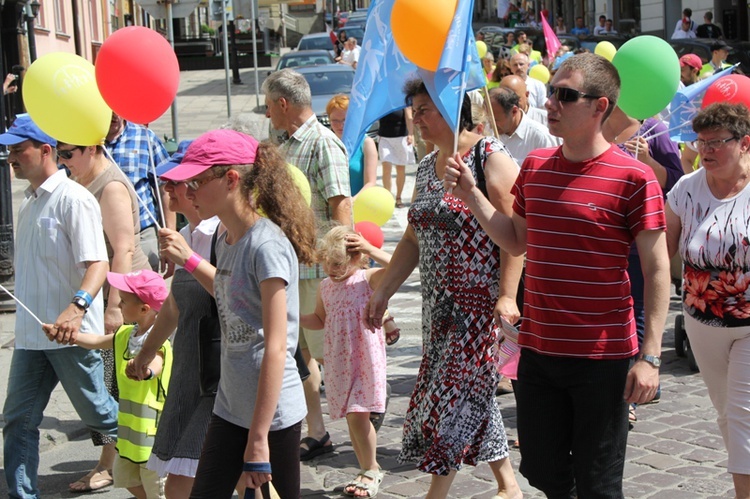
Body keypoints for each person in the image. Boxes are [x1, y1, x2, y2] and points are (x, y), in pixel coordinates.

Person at [443, 53, 670, 497]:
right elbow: (515, 241)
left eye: (566, 96)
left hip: (602, 358)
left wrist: (651, 356)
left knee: (599, 482)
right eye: (553, 93)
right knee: (543, 471)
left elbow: (658, 268)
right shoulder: (536, 168)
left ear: (600, 106)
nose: (551, 104)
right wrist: (471, 194)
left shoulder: (634, 177)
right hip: (540, 351)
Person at [365, 79, 524, 499]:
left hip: (480, 306)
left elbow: (517, 236)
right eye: (413, 110)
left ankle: (436, 493)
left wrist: (507, 295)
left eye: (424, 109)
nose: (415, 118)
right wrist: (382, 291)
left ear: (453, 110)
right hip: (438, 308)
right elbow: (414, 239)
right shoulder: (425, 165)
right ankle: (509, 486)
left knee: (453, 396)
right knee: (474, 393)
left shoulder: (490, 157)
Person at [153, 129, 317, 498]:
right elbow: (230, 297)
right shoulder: (225, 240)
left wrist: (258, 438)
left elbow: (278, 347)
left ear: (231, 180)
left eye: (196, 181)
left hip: (272, 418)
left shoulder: (267, 246)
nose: (188, 191)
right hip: (230, 408)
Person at [0, 114, 119, 497]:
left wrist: (78, 306)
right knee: (17, 419)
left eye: (19, 150)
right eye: (9, 150)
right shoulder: (28, 203)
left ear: (46, 150)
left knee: (100, 415)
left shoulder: (75, 199)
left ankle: (158, 460)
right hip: (32, 338)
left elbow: (98, 263)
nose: (11, 157)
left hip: (71, 335)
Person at [263, 68, 351, 461]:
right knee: (300, 357)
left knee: (332, 355)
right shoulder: (278, 144)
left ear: (284, 104)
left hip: (318, 270)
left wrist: (345, 267)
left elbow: (341, 208)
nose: (267, 115)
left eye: (268, 106)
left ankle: (363, 427)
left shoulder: (323, 143)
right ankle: (317, 431)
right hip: (287, 269)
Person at [56, 138, 152, 492]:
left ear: (92, 149)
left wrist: (115, 306)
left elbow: (123, 249)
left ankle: (110, 463)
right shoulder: (78, 180)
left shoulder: (109, 185)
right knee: (109, 383)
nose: (63, 160)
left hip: (127, 297)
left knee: (113, 384)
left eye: (68, 153)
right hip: (103, 295)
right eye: (59, 152)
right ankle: (117, 459)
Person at [127, 141, 221, 499]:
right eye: (164, 182)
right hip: (190, 375)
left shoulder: (220, 234)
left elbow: (236, 296)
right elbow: (175, 306)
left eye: (174, 182)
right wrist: (146, 353)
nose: (166, 190)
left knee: (185, 485)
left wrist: (190, 260)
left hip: (220, 376)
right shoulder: (185, 235)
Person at [666, 102, 750, 499]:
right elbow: (661, 252)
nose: (706, 151)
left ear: (744, 143)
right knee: (725, 413)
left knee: (743, 415)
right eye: (701, 142)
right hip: (702, 324)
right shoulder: (686, 190)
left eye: (717, 142)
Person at [46, 270, 171, 499]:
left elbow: (158, 362)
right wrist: (67, 336)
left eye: (123, 301)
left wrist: (145, 370)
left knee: (157, 489)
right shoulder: (126, 333)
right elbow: (95, 341)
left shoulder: (158, 341)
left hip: (153, 439)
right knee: (126, 479)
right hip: (129, 436)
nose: (119, 305)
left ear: (144, 309)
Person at [602, 106, 684, 424]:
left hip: (639, 237)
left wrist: (649, 160)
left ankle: (632, 395)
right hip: (605, 237)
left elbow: (674, 181)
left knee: (635, 310)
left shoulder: (654, 129)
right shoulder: (600, 126)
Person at [301, 226, 389, 498]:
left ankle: (372, 468)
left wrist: (371, 249)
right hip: (339, 361)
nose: (331, 268)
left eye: (337, 263)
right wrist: (292, 316)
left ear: (355, 258)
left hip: (365, 359)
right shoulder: (326, 287)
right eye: (326, 262)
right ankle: (365, 468)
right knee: (352, 419)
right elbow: (320, 318)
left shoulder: (368, 279)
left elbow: (400, 266)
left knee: (358, 414)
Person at [105, 112, 173, 271]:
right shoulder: (87, 146)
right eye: (107, 110)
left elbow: (166, 188)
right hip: (103, 237)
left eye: (117, 109)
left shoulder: (145, 138)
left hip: (142, 234)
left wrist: (169, 239)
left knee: (145, 291)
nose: (114, 116)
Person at [488, 87, 559, 165]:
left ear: (514, 111)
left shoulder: (541, 137)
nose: (491, 126)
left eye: (495, 120)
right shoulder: (487, 133)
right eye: (488, 120)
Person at [326, 95, 377, 195]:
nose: (340, 125)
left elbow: (371, 183)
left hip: (357, 205)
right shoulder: (325, 142)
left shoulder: (366, 143)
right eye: (335, 121)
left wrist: (349, 204)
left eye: (345, 120)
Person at [378, 109, 414, 208]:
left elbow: (409, 117)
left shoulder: (402, 98)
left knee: (400, 169)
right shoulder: (382, 99)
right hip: (384, 137)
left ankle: (398, 197)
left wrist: (411, 134)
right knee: (386, 167)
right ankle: (387, 198)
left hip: (401, 138)